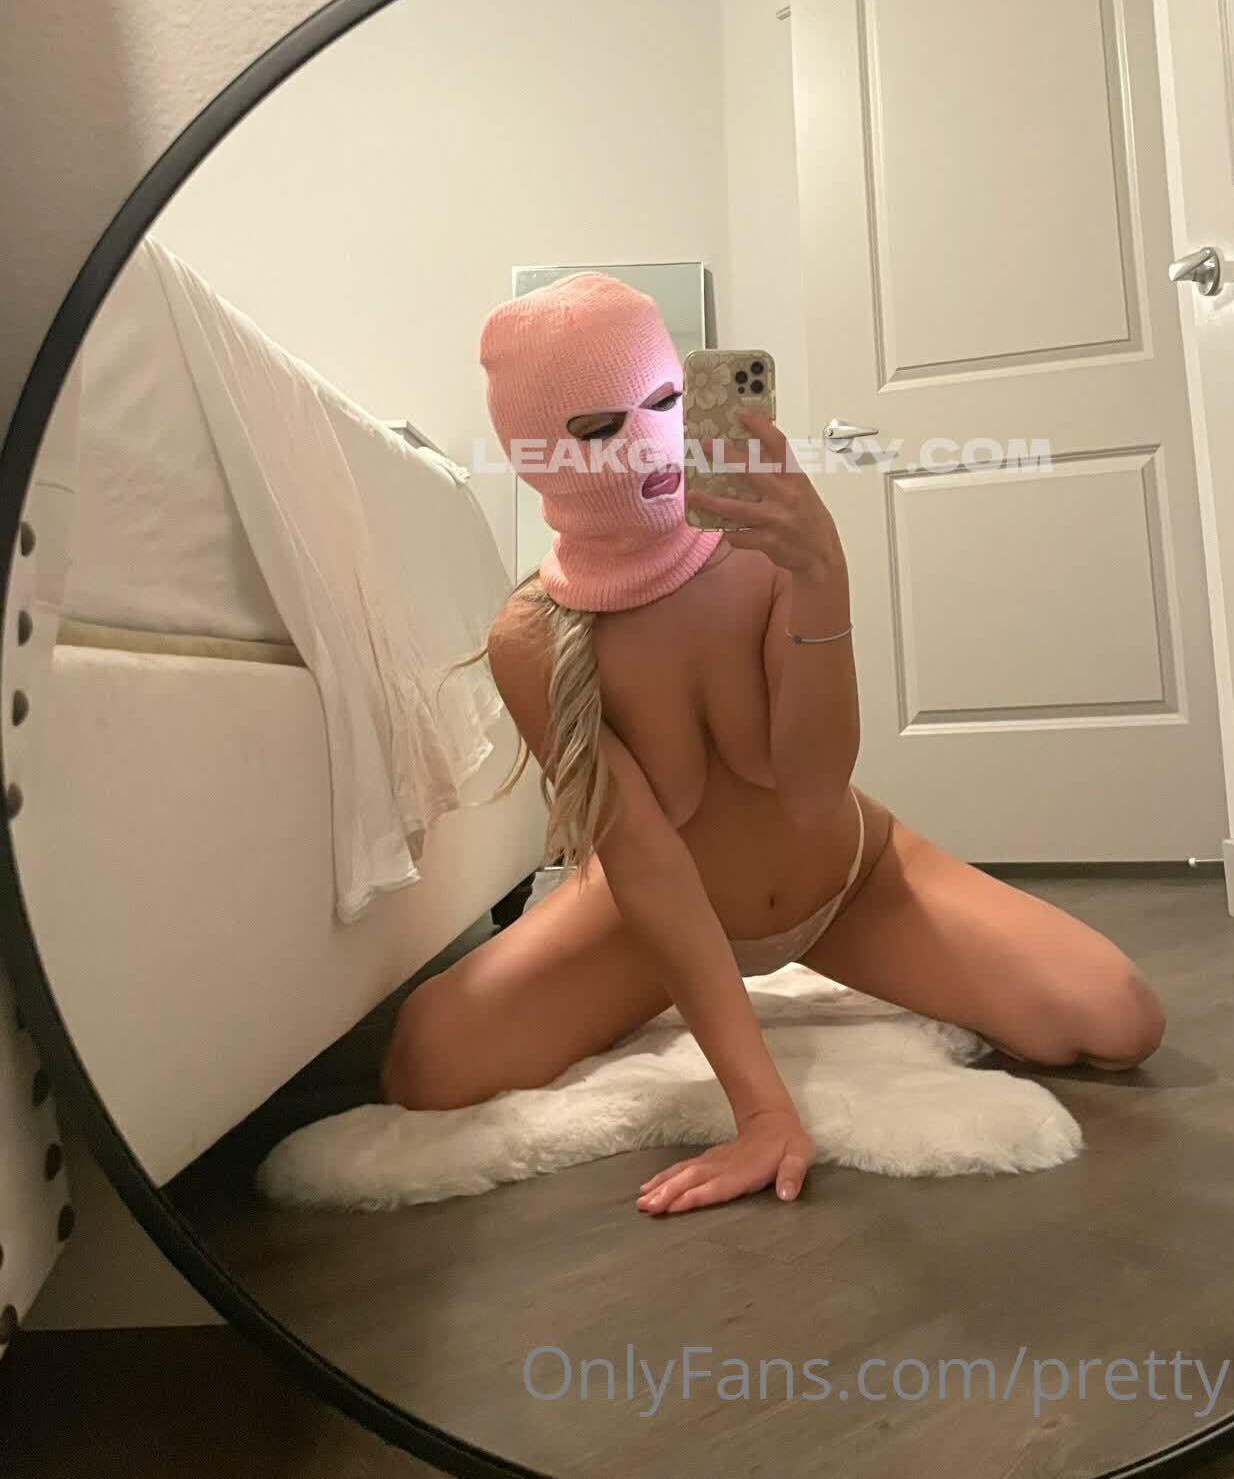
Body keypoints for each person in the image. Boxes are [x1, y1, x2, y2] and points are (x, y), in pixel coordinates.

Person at [381, 273, 1164, 1214]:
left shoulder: (766, 547)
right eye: (598, 427)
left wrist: (823, 572)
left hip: (848, 888)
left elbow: (812, 790)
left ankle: (741, 985)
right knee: (426, 1062)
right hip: (651, 918)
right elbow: (647, 865)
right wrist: (761, 1109)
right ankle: (684, 994)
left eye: (666, 400)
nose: (650, 441)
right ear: (533, 452)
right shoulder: (533, 635)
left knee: (1119, 1018)